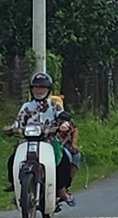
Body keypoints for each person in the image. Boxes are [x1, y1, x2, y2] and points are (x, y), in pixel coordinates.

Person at [3, 72, 75, 207]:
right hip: (28, 141)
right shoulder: (26, 107)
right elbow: (18, 122)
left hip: (50, 141)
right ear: (31, 89)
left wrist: (63, 125)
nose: (39, 90)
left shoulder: (54, 106)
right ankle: (16, 186)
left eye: (43, 88)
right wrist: (11, 128)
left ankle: (61, 189)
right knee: (13, 160)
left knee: (65, 158)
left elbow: (63, 118)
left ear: (48, 89)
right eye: (36, 87)